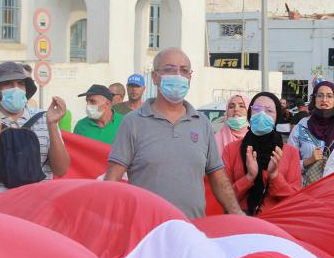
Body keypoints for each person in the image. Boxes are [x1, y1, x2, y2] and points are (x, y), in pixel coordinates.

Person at [105, 48, 242, 218]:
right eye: (170, 69)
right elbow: (112, 179)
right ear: (155, 77)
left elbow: (217, 176)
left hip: (191, 230)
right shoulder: (133, 122)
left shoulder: (202, 123)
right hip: (148, 231)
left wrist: (237, 213)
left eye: (184, 70)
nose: (178, 75)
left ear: (190, 77)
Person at [0, 62, 69, 203]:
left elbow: (61, 169)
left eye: (21, 83)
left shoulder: (46, 118)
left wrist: (52, 125)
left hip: (37, 208)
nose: (16, 89)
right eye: (8, 84)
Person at [222, 92, 301, 215]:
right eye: (257, 109)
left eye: (269, 111)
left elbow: (294, 200)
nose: (262, 114)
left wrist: (274, 175)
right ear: (249, 114)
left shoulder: (290, 153)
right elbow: (223, 196)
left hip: (276, 225)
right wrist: (249, 177)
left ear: (277, 118)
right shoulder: (231, 150)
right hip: (240, 223)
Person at [290, 80, 334, 187]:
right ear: (314, 99)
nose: (324, 99)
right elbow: (289, 165)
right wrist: (309, 161)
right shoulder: (301, 127)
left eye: (329, 96)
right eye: (320, 95)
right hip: (306, 192)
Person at [213, 93, 250, 159]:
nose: (236, 109)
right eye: (231, 107)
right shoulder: (215, 140)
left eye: (241, 106)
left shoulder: (256, 138)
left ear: (249, 111)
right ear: (227, 112)